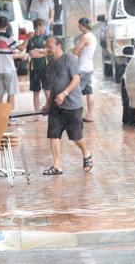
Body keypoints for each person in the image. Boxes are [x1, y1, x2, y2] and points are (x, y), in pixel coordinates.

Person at [42, 37, 93, 175]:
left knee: (76, 137)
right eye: (46, 47)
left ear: (59, 46)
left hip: (72, 106)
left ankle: (86, 153)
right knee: (54, 135)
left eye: (50, 46)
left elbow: (76, 79)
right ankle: (57, 166)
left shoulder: (69, 58)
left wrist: (64, 94)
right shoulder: (50, 64)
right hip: (56, 107)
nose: (48, 49)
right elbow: (53, 87)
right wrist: (48, 104)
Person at [0, 16, 29, 106]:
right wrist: (27, 38)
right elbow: (21, 48)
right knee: (11, 94)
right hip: (8, 69)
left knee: (0, 94)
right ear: (7, 25)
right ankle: (10, 117)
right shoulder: (7, 37)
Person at [72, 17, 97, 122]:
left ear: (83, 25)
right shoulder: (92, 36)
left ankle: (75, 115)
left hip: (83, 68)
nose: (78, 27)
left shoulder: (85, 37)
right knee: (89, 91)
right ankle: (90, 115)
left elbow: (74, 50)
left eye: (79, 25)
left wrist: (78, 51)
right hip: (89, 67)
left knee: (75, 91)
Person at [26, 19, 50, 120]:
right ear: (38, 26)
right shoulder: (31, 39)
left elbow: (49, 51)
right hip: (34, 68)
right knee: (36, 92)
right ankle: (36, 114)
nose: (45, 28)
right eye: (44, 26)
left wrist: (39, 50)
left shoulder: (46, 38)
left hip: (45, 68)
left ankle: (51, 111)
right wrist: (42, 53)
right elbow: (32, 54)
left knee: (48, 91)